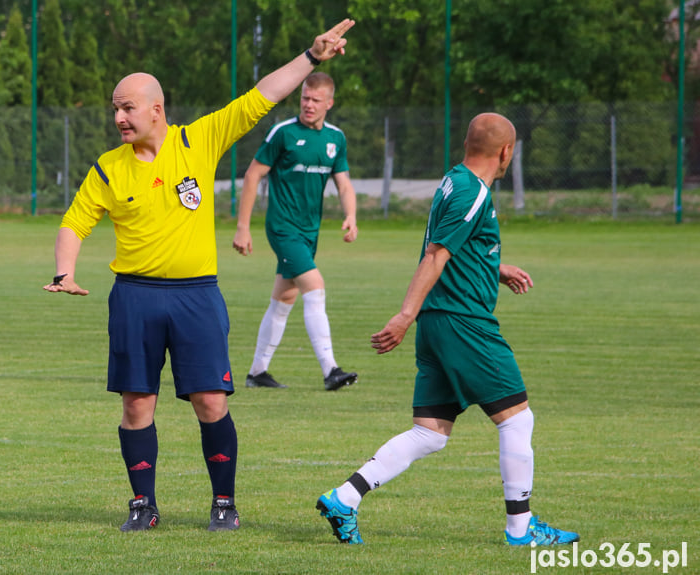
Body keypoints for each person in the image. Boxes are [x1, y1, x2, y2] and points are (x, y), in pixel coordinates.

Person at [44, 20, 355, 533]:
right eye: (115, 109)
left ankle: (224, 504)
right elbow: (75, 223)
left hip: (195, 297)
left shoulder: (199, 140)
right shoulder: (108, 167)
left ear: (156, 110)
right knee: (136, 402)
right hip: (135, 297)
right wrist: (64, 270)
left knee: (211, 400)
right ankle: (142, 506)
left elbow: (261, 97)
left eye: (127, 108)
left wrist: (311, 57)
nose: (119, 117)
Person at [316, 113, 580, 547]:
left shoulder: (453, 181)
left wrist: (494, 268)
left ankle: (345, 498)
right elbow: (436, 255)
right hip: (463, 322)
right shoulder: (472, 192)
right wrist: (403, 315)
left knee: (430, 433)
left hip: (439, 323)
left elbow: (458, 248)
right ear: (506, 152)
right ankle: (522, 529)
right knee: (517, 419)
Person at [233, 72, 358, 392]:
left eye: (316, 100)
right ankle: (331, 369)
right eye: (305, 98)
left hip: (308, 232)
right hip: (283, 228)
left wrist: (351, 215)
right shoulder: (283, 133)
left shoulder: (335, 139)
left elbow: (344, 184)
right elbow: (252, 176)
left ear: (329, 103)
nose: (309, 105)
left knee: (283, 299)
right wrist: (243, 227)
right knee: (315, 288)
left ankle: (257, 372)